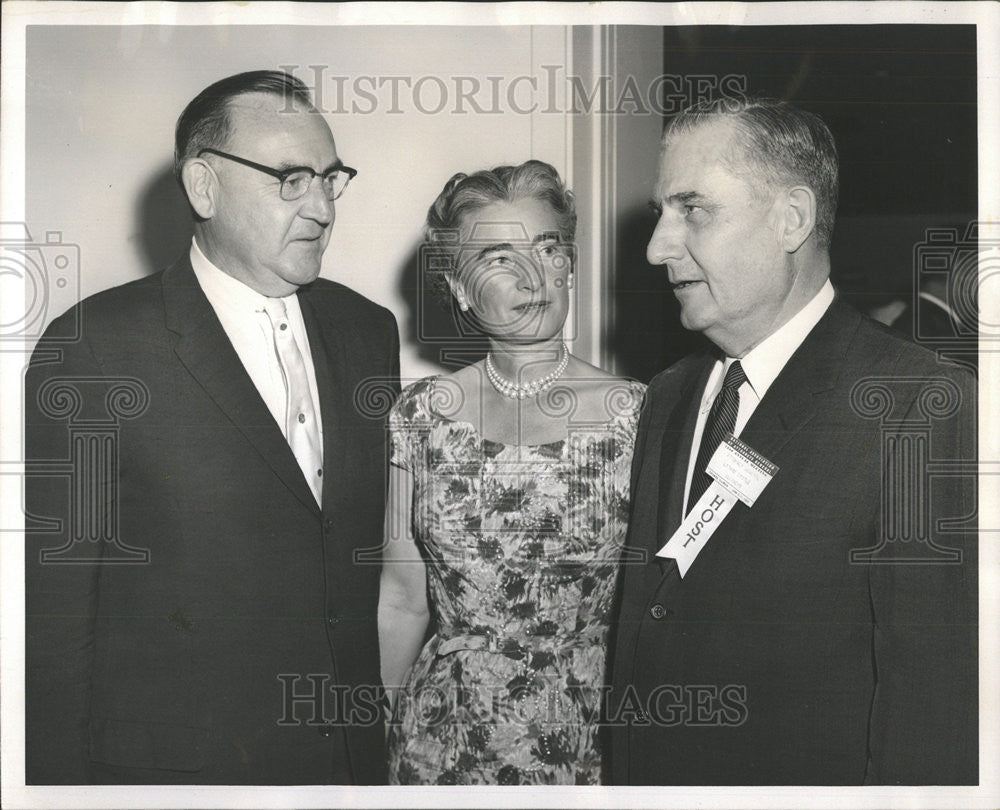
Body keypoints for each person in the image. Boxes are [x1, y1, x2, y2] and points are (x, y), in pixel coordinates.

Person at [25, 71, 399, 784]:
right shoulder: (96, 346)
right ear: (203, 187)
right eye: (291, 179)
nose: (321, 207)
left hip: (341, 769)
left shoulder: (366, 333)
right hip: (174, 777)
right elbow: (54, 614)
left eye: (329, 178)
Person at [610, 97, 977, 785]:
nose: (658, 246)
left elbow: (934, 708)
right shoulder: (669, 396)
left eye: (694, 209)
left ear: (792, 219)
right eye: (662, 212)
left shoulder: (920, 406)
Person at [378, 160, 645, 785]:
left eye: (548, 247)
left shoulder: (639, 414)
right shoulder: (421, 415)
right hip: (441, 737)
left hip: (589, 734)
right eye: (499, 256)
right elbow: (400, 598)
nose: (533, 275)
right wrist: (379, 729)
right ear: (461, 288)